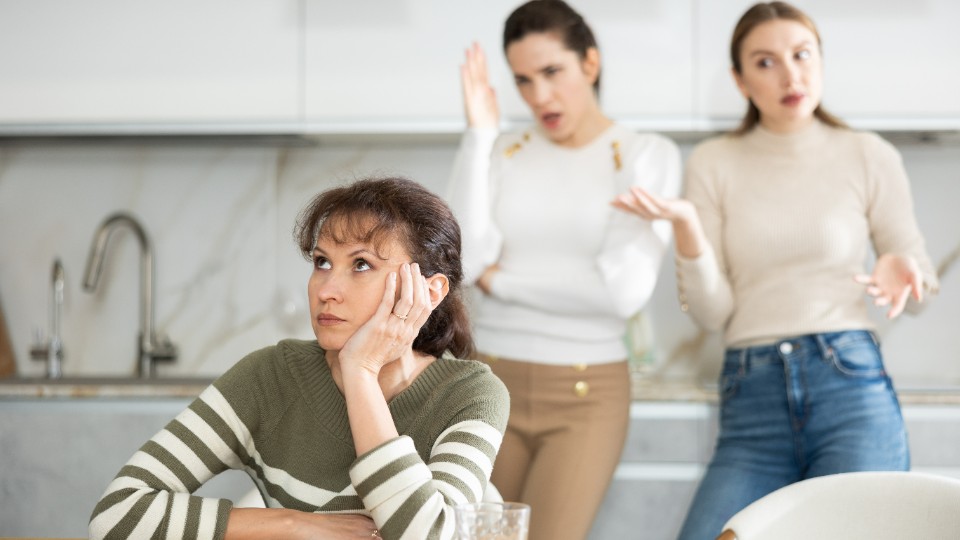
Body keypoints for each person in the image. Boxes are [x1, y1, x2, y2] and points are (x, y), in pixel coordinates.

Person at [613, 2, 940, 538]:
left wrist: (908, 273)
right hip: (751, 400)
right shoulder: (714, 162)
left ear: (821, 61)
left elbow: (921, 287)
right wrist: (688, 228)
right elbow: (712, 314)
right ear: (739, 80)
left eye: (802, 55)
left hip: (850, 389)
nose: (790, 75)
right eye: (765, 62)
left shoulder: (868, 154)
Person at [88, 177, 509, 540]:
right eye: (322, 262)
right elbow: (117, 514)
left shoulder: (471, 394)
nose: (326, 290)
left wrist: (361, 372)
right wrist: (293, 525)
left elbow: (431, 535)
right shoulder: (269, 377)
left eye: (362, 265)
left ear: (430, 292)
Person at [447, 1, 681, 538]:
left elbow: (622, 294)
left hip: (587, 395)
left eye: (552, 72)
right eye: (523, 80)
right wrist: (479, 134)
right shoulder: (504, 150)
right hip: (486, 384)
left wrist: (501, 282)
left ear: (590, 64)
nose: (539, 96)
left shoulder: (644, 155)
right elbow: (465, 259)